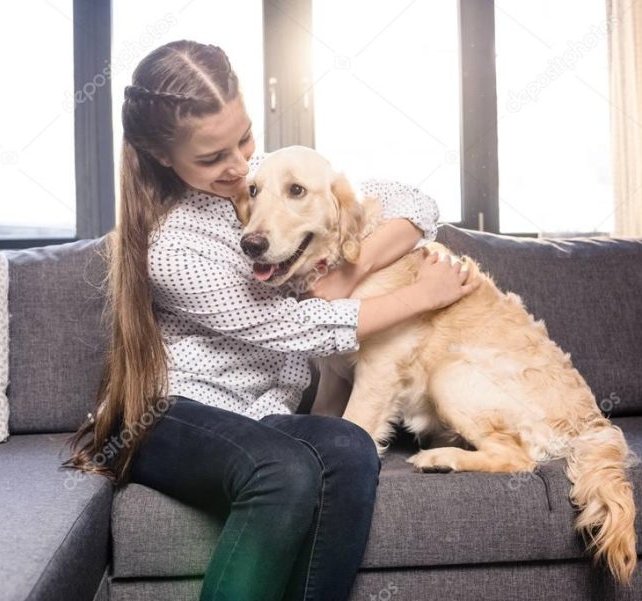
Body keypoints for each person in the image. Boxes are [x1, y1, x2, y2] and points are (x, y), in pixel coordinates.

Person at [64, 40, 477, 601]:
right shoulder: (171, 246)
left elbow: (415, 201)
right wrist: (421, 296)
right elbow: (295, 326)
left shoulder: (265, 180)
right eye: (212, 158)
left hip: (257, 416)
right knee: (283, 471)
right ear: (163, 155)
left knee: (349, 449)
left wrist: (349, 271)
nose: (238, 167)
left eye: (245, 138)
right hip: (164, 415)